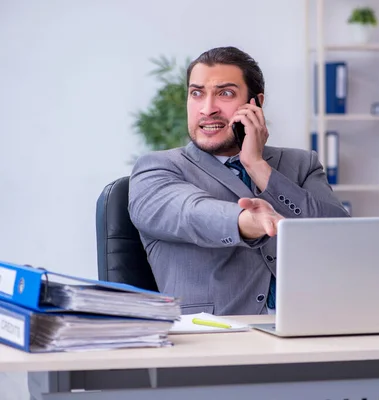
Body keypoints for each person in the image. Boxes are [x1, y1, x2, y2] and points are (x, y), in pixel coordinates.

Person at [128, 46, 350, 316]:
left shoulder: (302, 164)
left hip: (308, 326)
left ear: (255, 103)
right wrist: (249, 222)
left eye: (225, 93)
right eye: (196, 93)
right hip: (212, 337)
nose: (207, 109)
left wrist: (258, 167)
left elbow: (339, 236)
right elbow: (191, 212)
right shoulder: (158, 168)